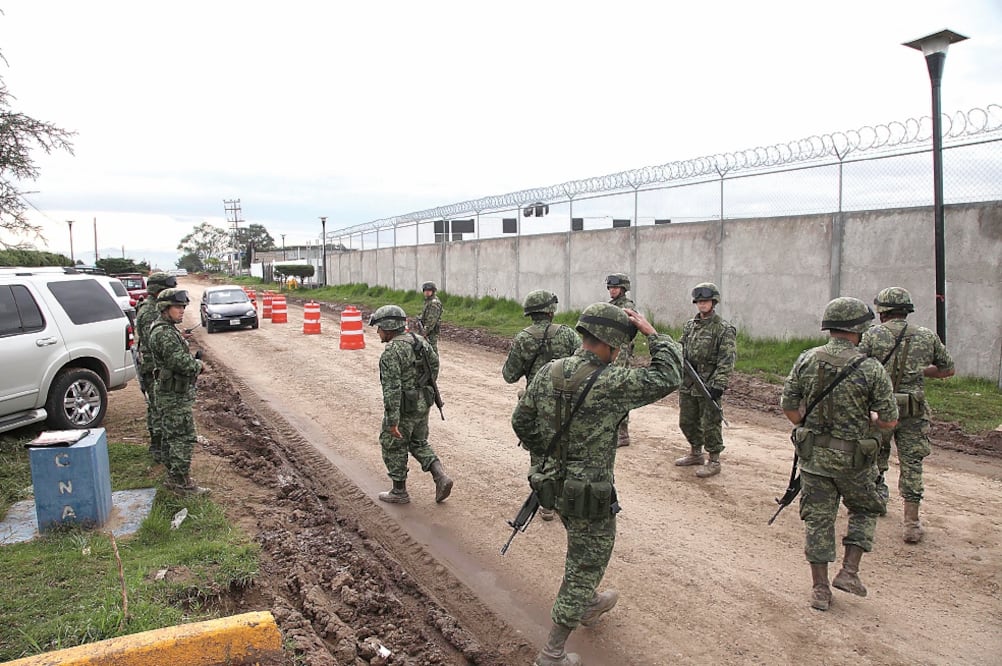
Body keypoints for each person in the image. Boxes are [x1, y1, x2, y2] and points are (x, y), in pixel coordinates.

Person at [512, 303, 683, 665]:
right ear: (606, 344)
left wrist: (547, 454)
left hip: (553, 485)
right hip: (589, 494)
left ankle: (588, 604)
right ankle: (552, 652)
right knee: (585, 565)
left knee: (581, 550)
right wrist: (654, 335)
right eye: (618, 346)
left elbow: (520, 421)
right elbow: (669, 376)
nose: (619, 353)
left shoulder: (548, 371)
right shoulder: (612, 381)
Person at [780, 297, 898, 611]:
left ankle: (820, 590)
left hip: (815, 460)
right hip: (855, 463)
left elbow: (789, 406)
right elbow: (888, 420)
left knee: (818, 521)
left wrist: (805, 422)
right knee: (865, 508)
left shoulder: (806, 359)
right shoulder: (871, 368)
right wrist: (872, 420)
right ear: (859, 329)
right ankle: (849, 572)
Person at [858, 287, 954, 543]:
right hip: (914, 410)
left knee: (875, 456)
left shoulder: (872, 335)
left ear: (882, 312)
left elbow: (856, 368)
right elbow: (947, 369)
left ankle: (877, 502)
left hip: (880, 408)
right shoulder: (926, 336)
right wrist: (920, 372)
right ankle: (911, 523)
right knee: (912, 463)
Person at [502, 289, 581, 521]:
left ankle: (546, 503)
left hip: (537, 403)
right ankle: (569, 499)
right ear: (551, 311)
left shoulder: (523, 338)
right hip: (568, 401)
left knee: (539, 450)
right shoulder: (567, 334)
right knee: (568, 448)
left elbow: (509, 375)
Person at [369, 304, 453, 505]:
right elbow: (434, 367)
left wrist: (392, 421)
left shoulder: (391, 352)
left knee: (392, 444)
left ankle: (399, 491)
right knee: (418, 442)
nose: (378, 332)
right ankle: (440, 476)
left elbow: (392, 389)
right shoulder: (420, 341)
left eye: (379, 327)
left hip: (405, 407)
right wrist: (421, 387)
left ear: (388, 327)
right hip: (423, 402)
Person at [146, 288, 208, 495]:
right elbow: (180, 362)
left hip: (171, 394)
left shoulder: (165, 329)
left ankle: (174, 477)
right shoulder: (164, 333)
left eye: (183, 307)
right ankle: (181, 484)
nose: (181, 311)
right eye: (177, 307)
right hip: (173, 396)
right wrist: (197, 365)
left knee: (172, 436)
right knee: (182, 437)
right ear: (165, 308)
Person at [674, 282, 737, 478]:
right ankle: (695, 452)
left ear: (713, 302)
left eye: (706, 301)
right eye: (699, 302)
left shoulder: (724, 329)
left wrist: (718, 384)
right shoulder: (690, 326)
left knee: (710, 423)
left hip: (708, 383)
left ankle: (714, 459)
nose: (702, 305)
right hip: (688, 382)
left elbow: (727, 360)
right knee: (687, 421)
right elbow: (681, 348)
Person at [135, 271, 177, 463]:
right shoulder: (150, 311)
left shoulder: (152, 308)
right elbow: (154, 342)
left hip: (155, 366)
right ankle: (158, 447)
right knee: (157, 407)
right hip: (153, 368)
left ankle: (161, 446)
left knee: (157, 406)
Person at [605, 273, 637, 447]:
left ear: (624, 288)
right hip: (609, 349)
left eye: (615, 288)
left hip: (621, 351)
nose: (612, 290)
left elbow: (632, 328)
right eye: (610, 287)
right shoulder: (611, 306)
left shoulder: (627, 306)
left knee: (619, 388)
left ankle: (623, 432)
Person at [418, 281, 443, 353]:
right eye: (425, 290)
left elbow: (432, 320)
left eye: (429, 290)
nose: (427, 292)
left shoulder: (434, 303)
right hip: (426, 329)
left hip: (431, 331)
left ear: (433, 291)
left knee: (431, 350)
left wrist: (425, 331)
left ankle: (434, 364)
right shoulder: (428, 301)